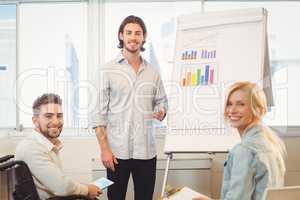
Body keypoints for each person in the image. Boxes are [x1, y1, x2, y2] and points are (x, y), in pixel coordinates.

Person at [91, 15, 168, 200]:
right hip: (117, 153)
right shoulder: (107, 70)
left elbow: (162, 101)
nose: (133, 37)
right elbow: (98, 115)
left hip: (146, 152)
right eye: (129, 32)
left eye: (138, 33)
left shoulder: (153, 72)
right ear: (121, 36)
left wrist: (162, 110)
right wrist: (104, 150)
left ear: (144, 37)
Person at [193, 81, 286, 200]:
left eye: (241, 104)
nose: (232, 110)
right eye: (229, 104)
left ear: (258, 109)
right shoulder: (270, 143)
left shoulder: (244, 150)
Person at [15, 93, 102, 199]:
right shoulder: (31, 148)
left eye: (59, 116)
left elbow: (59, 181)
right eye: (48, 116)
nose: (56, 121)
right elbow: (62, 187)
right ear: (35, 121)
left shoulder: (44, 144)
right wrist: (87, 190)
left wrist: (85, 187)